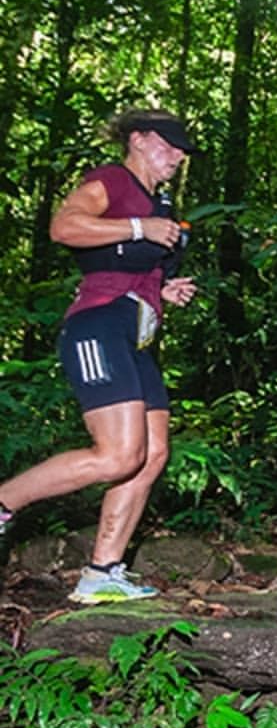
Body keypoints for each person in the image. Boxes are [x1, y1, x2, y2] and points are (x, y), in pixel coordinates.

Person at [0, 108, 199, 602]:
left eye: (181, 150)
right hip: (98, 325)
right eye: (169, 145)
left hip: (134, 334)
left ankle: (101, 573)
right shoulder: (112, 180)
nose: (177, 156)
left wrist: (163, 287)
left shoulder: (160, 201)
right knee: (118, 455)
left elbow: (129, 264)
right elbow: (65, 226)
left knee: (151, 455)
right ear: (139, 139)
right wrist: (139, 228)